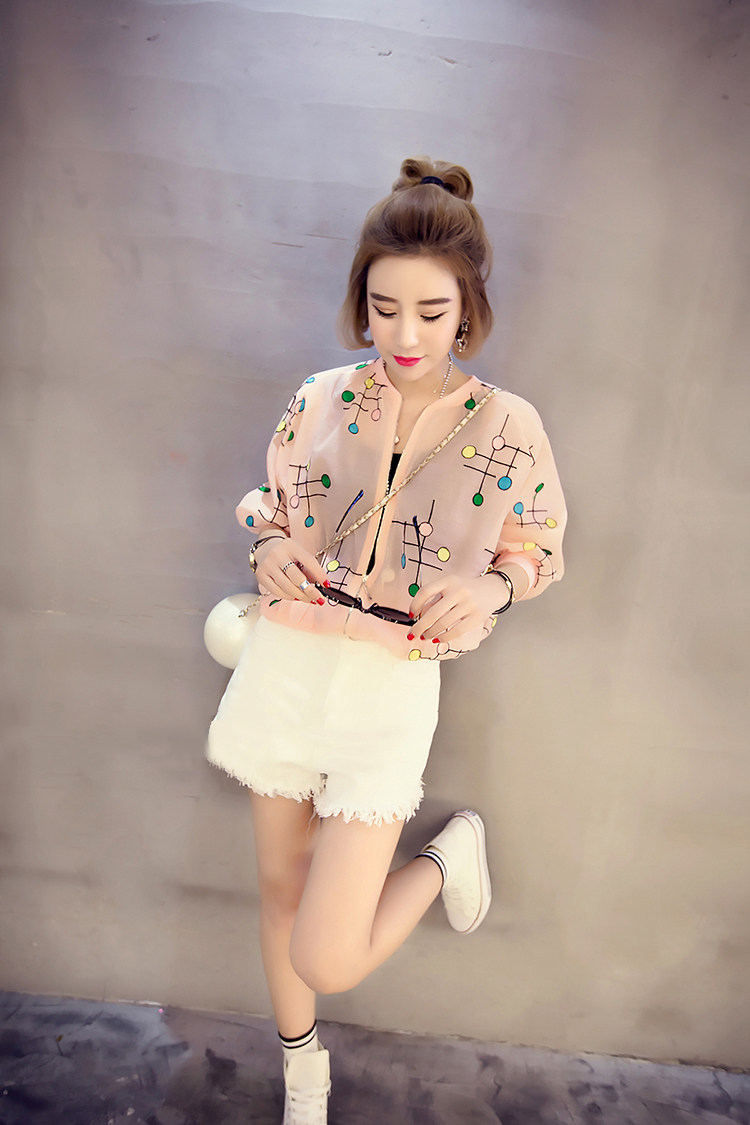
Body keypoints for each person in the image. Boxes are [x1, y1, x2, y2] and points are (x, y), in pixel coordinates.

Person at [206, 156, 567, 1124]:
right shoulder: (320, 398)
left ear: (468, 311)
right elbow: (269, 502)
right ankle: (304, 1079)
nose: (406, 335)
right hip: (287, 663)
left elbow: (538, 546)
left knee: (327, 953)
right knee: (279, 891)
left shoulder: (508, 428)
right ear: (361, 303)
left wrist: (489, 586)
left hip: (391, 685)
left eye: (432, 312)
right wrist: (268, 543)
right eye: (385, 307)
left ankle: (446, 857)